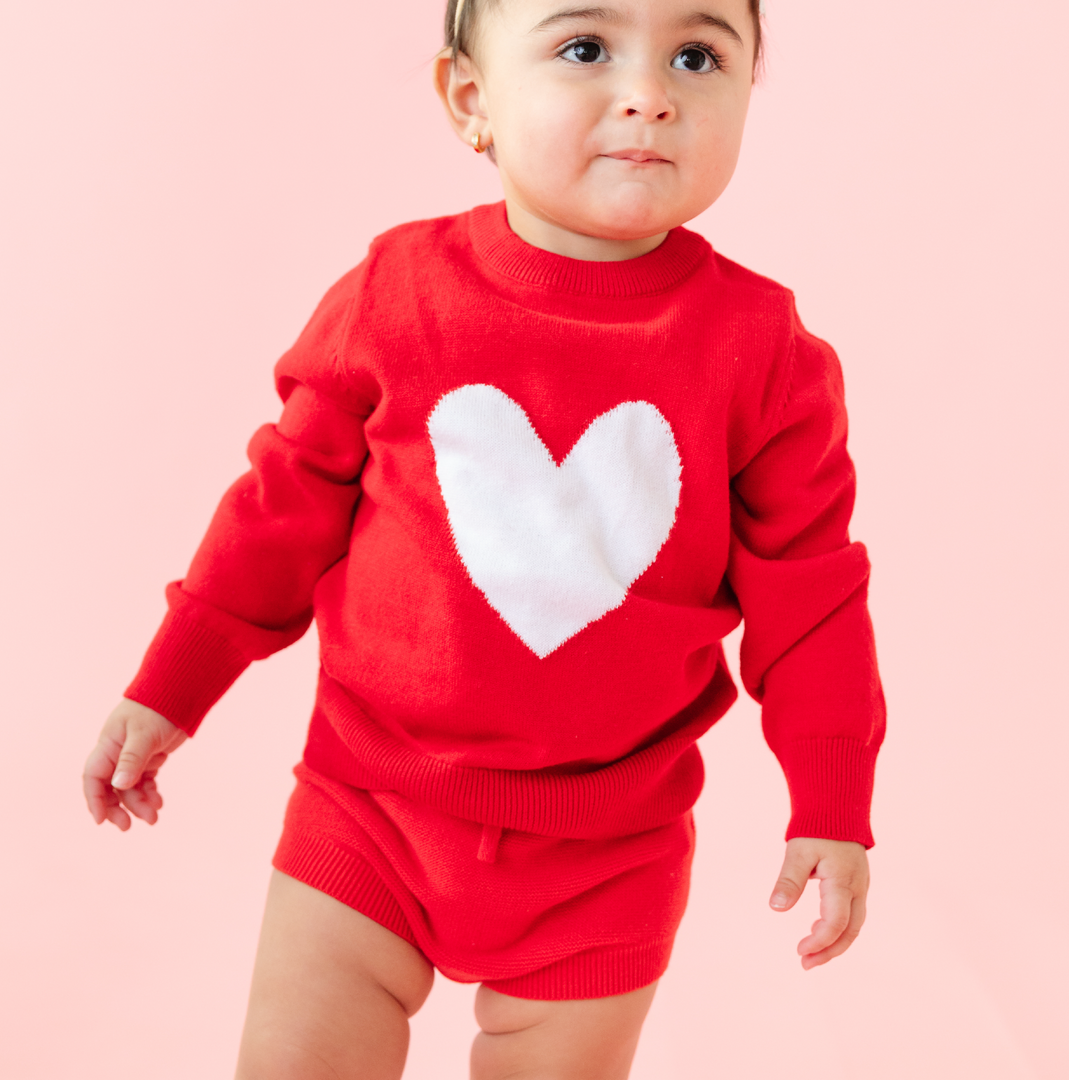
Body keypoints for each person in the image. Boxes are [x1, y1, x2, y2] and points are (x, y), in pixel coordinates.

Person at [82, 1, 885, 1077]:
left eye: (698, 55)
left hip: (611, 850)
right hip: (369, 803)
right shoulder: (396, 293)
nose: (650, 91)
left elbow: (813, 597)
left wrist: (832, 798)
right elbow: (282, 508)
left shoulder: (763, 351)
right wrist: (170, 684)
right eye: (585, 48)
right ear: (472, 100)